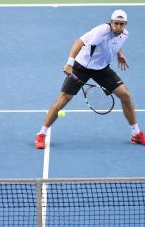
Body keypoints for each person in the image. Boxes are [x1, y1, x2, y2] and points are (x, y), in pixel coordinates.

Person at [34, 10, 145, 149]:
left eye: (121, 24)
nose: (118, 26)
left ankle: (136, 134)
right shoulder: (100, 31)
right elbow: (79, 41)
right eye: (116, 23)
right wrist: (69, 63)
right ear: (111, 23)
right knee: (64, 98)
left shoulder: (125, 34)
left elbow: (115, 44)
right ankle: (41, 134)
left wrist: (119, 54)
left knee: (126, 95)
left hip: (102, 69)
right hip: (82, 67)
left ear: (125, 25)